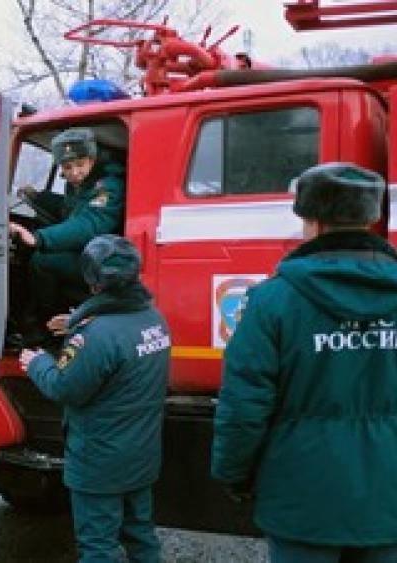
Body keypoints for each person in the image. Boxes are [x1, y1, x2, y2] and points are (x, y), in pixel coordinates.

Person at [211, 162, 397, 563]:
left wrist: (234, 474)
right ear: (370, 217)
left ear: (311, 220)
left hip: (301, 501)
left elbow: (243, 406)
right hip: (388, 500)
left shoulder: (273, 300)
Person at [20, 235, 170, 563]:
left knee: (98, 547)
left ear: (92, 280)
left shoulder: (95, 336)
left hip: (99, 464)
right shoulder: (154, 321)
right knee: (141, 535)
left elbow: (64, 387)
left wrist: (37, 362)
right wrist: (76, 321)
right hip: (140, 457)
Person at [10, 127, 125, 344]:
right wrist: (40, 197)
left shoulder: (108, 186)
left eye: (79, 165)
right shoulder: (82, 183)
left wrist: (39, 238)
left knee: (43, 261)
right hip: (91, 252)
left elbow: (90, 223)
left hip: (106, 260)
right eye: (67, 167)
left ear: (92, 159)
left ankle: (45, 324)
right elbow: (71, 209)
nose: (73, 173)